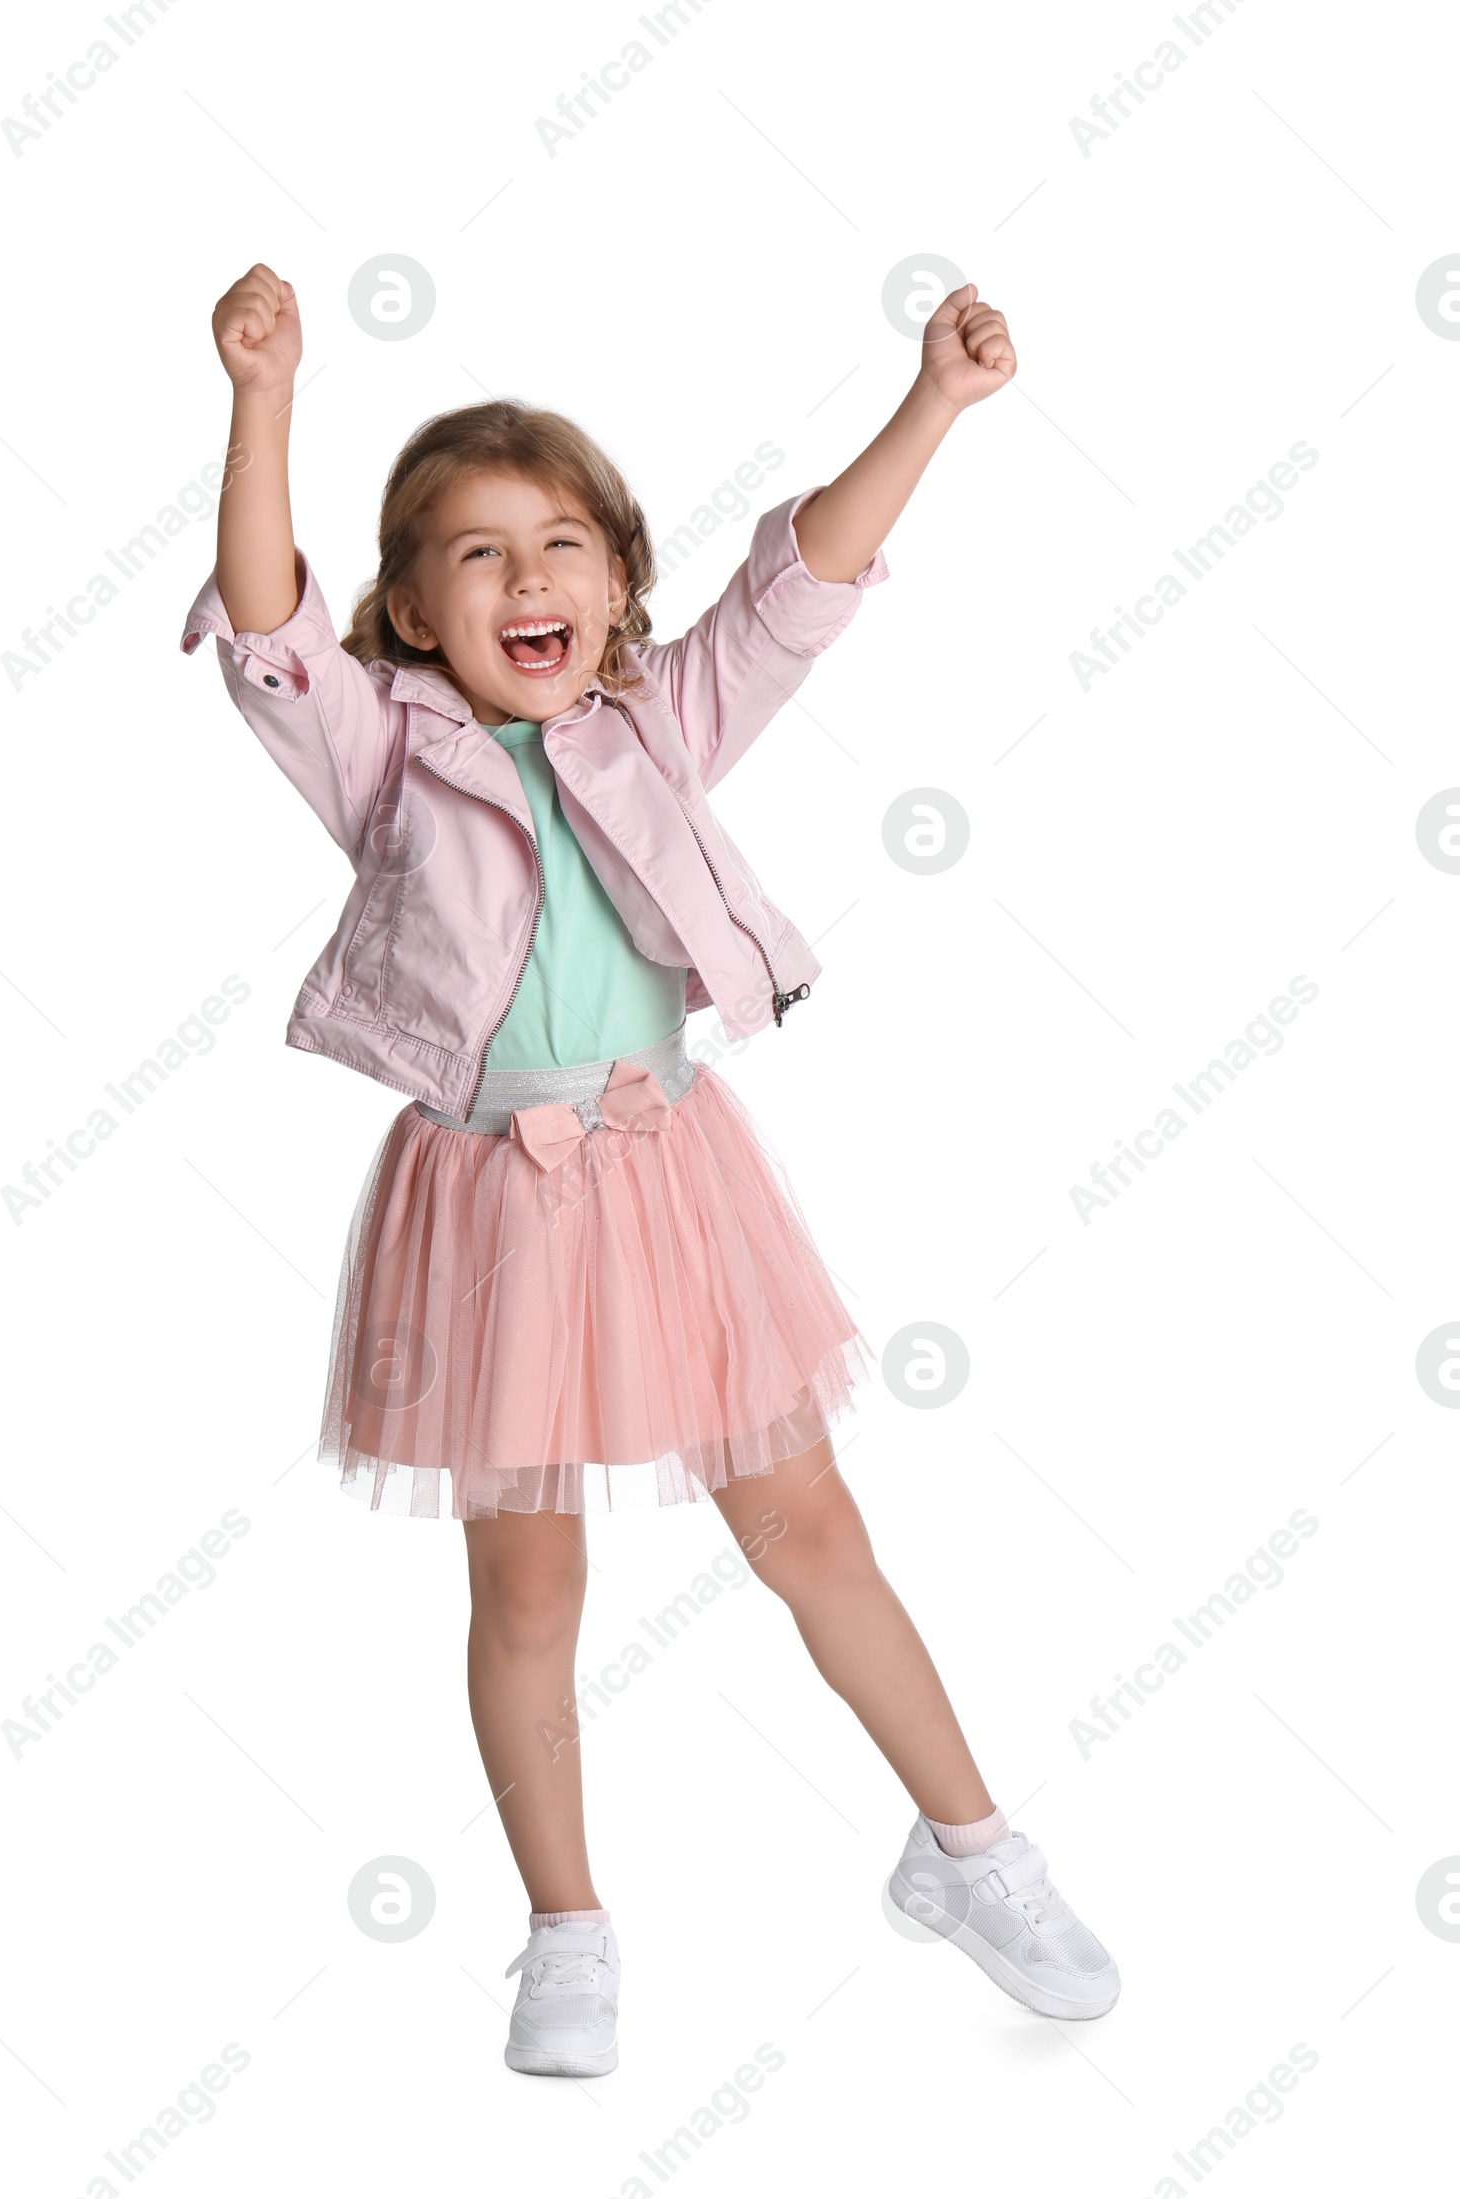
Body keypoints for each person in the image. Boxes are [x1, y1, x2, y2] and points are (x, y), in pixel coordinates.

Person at [180, 263, 1119, 2076]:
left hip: (674, 1180)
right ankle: (567, 1925)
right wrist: (265, 398)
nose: (524, 579)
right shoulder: (383, 758)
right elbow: (265, 631)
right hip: (488, 1205)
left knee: (809, 1526)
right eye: (474, 554)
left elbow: (804, 592)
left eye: (560, 548)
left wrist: (931, 403)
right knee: (528, 1587)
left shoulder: (656, 725)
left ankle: (970, 1850)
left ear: (616, 590)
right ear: (411, 610)